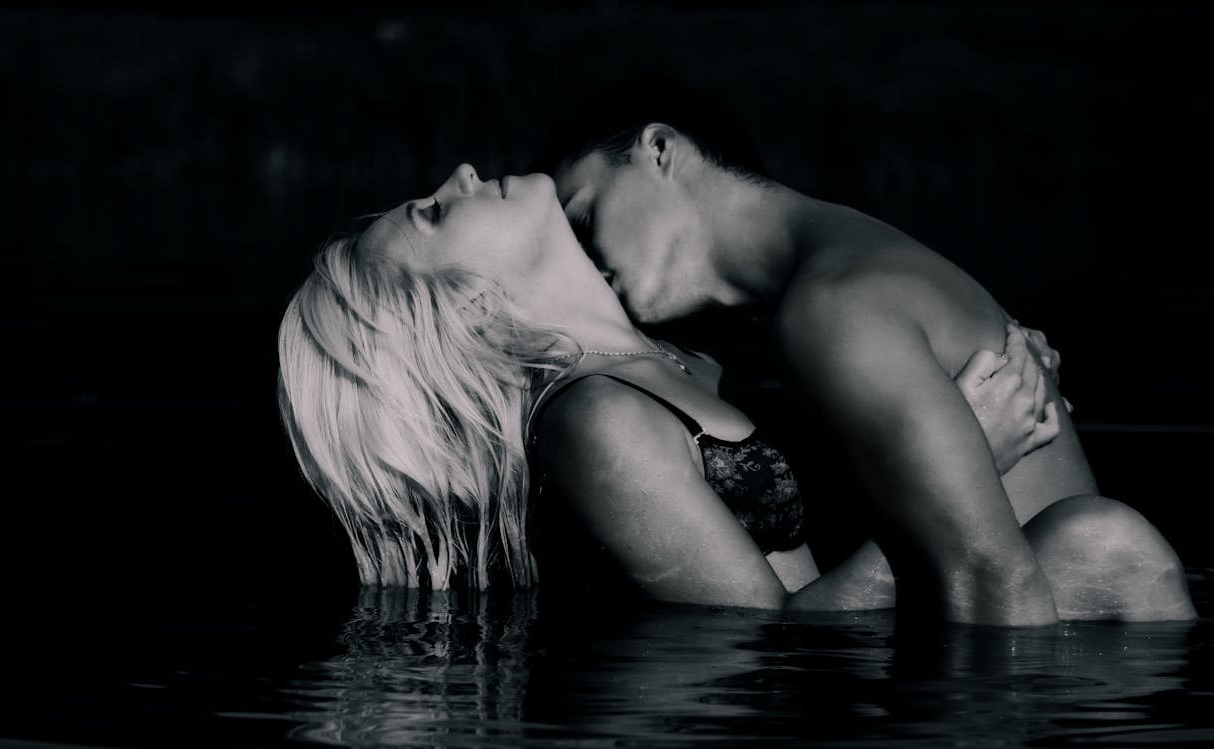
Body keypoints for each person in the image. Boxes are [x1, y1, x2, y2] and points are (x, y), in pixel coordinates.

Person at [277, 163, 1189, 622]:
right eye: (436, 212)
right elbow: (762, 653)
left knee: (1100, 537)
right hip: (864, 696)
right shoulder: (593, 422)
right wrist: (973, 464)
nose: (462, 175)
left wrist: (965, 398)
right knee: (1104, 539)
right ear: (462, 304)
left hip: (928, 641)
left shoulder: (692, 359)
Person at [547, 85, 1197, 625]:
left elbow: (994, 586)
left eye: (584, 216)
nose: (583, 261)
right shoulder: (841, 271)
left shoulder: (834, 304)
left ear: (660, 150)